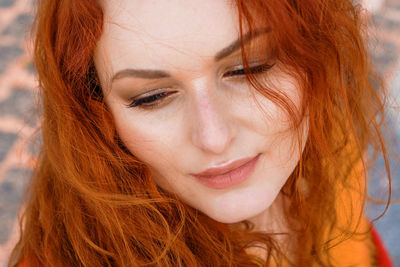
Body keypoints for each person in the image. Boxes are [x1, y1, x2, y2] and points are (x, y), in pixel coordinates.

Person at [8, 0, 394, 266]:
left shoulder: (330, 143)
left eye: (249, 68)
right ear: (95, 112)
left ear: (316, 51)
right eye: (152, 97)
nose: (214, 138)